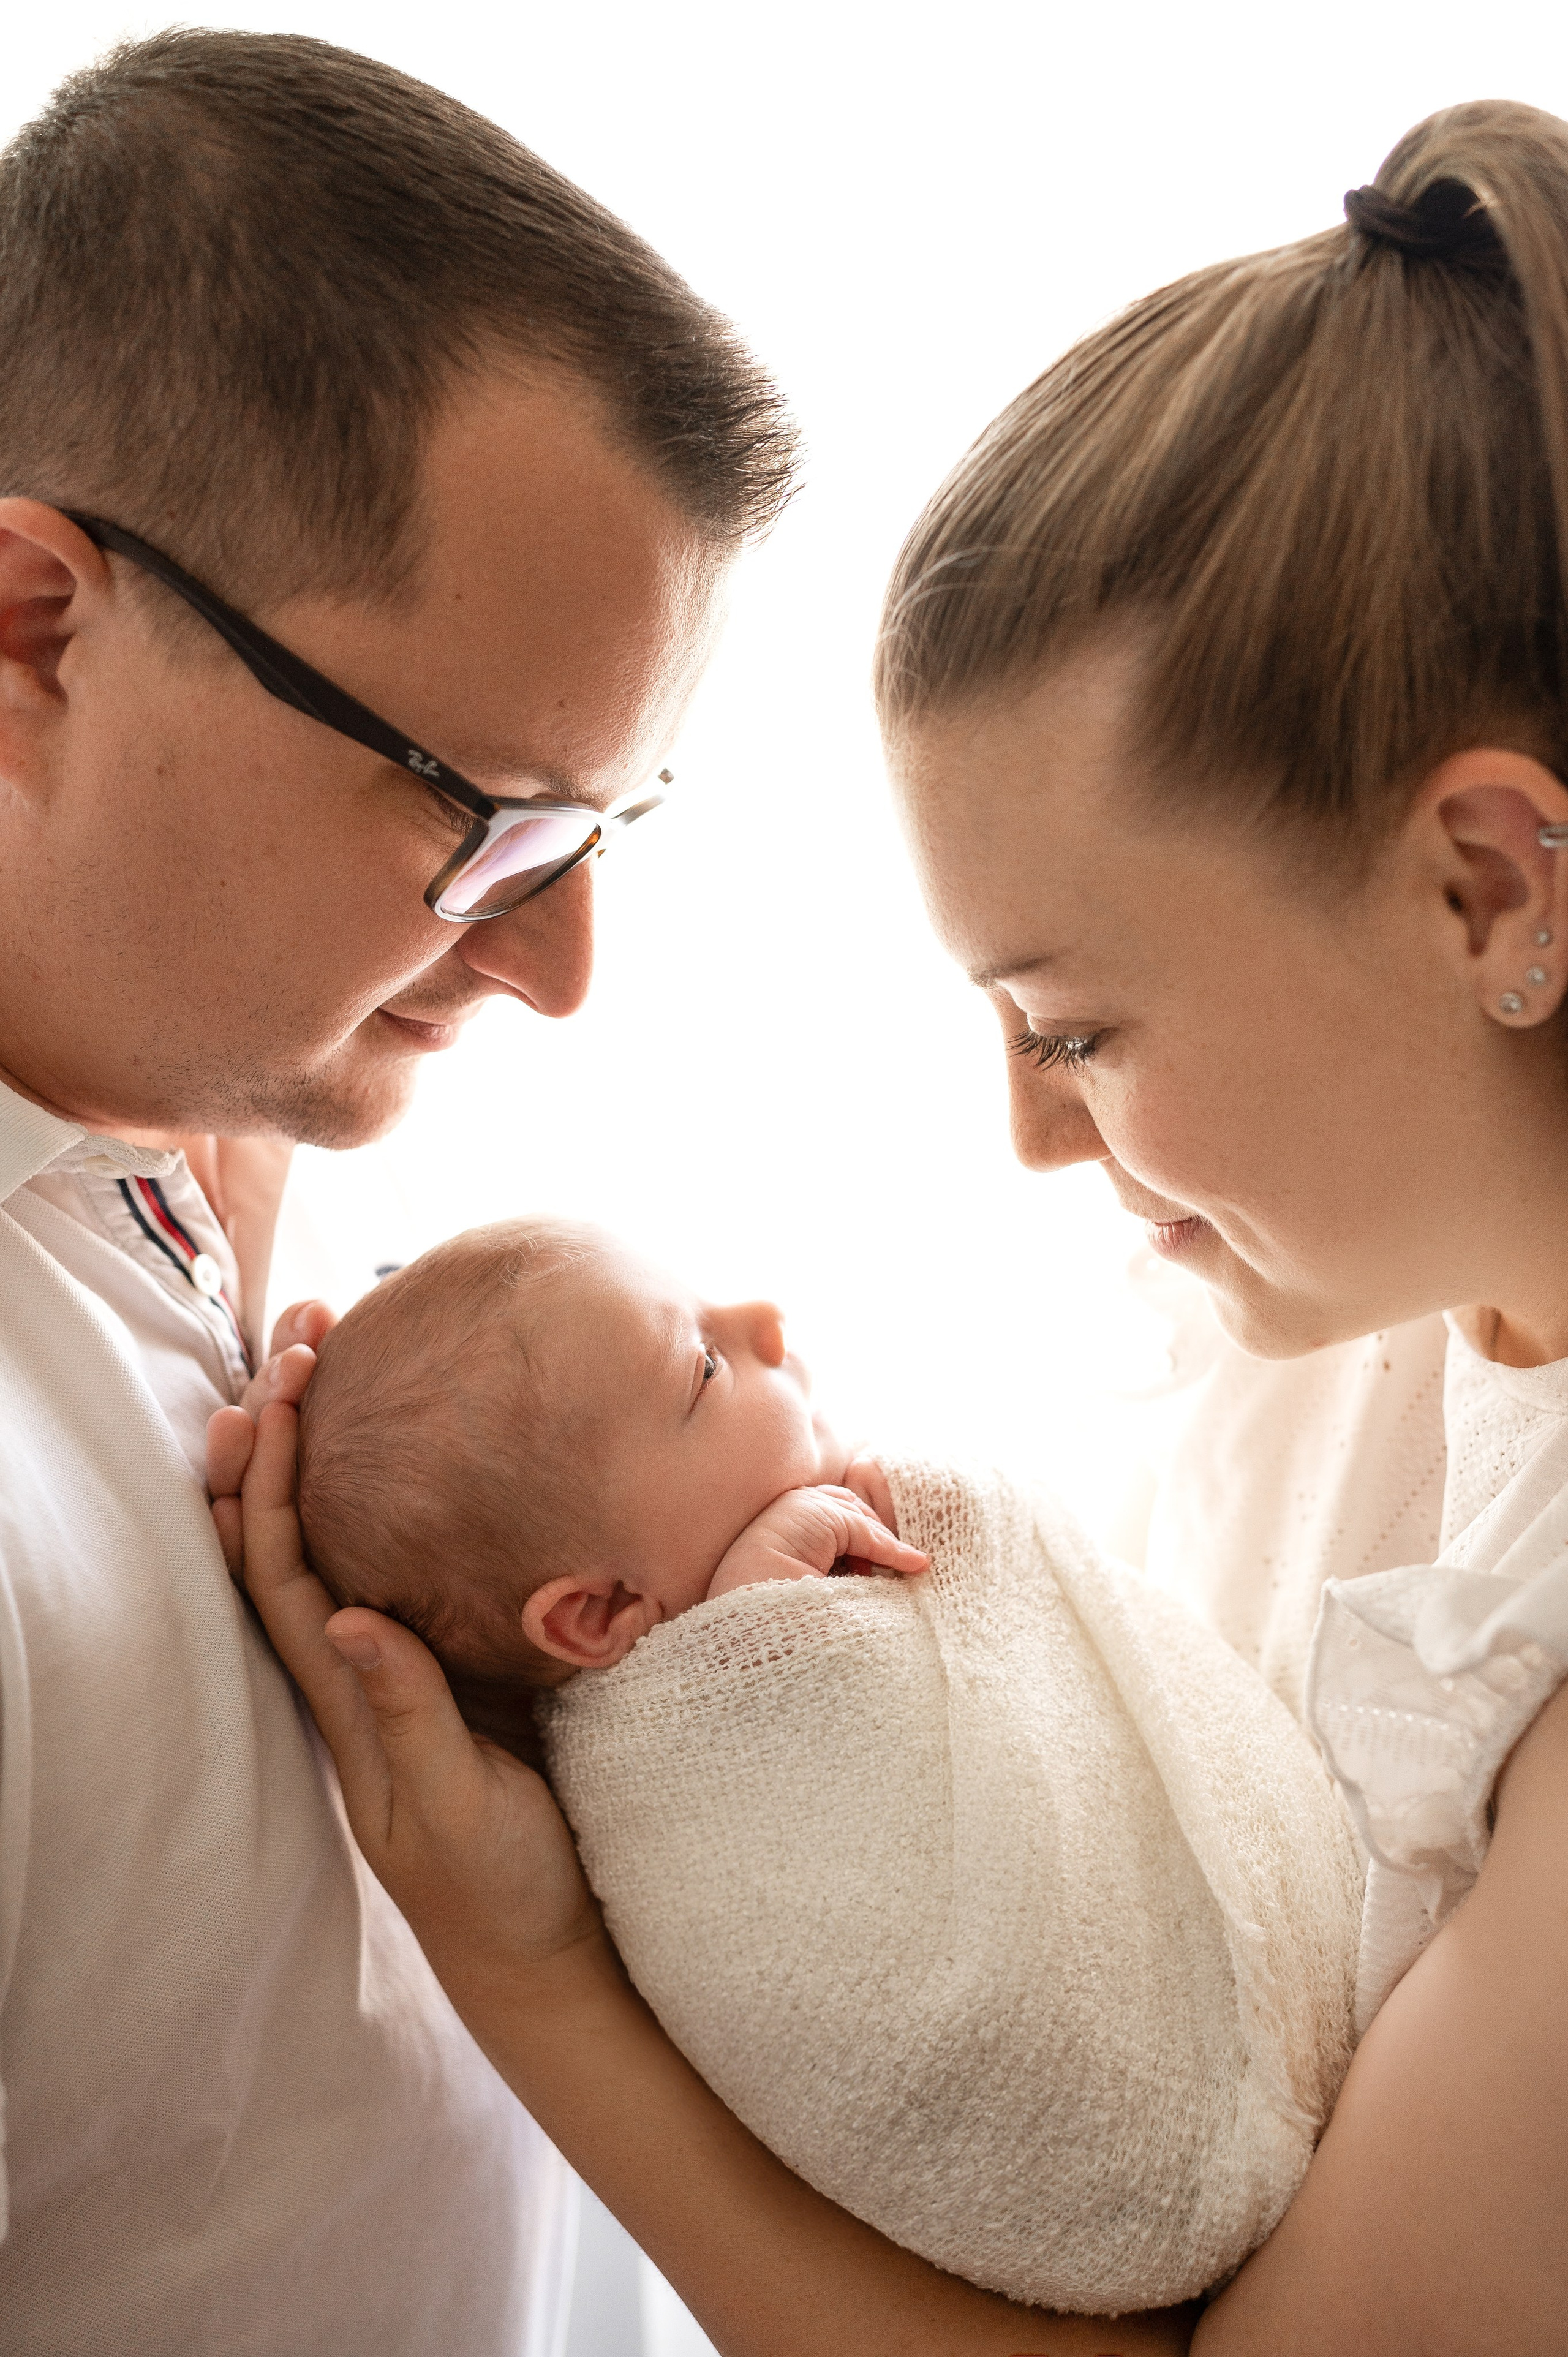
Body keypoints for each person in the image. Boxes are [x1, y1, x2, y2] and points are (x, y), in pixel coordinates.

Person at [225, 94, 1568, 2355]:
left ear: (1491, 889)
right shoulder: (1333, 1317)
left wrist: (531, 1969)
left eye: (1081, 1022)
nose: (1038, 1139)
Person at [0, 27, 794, 2355]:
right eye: (489, 822)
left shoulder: (295, 1179)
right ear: (33, 629)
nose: (556, 966)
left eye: (604, 833)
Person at [290, 1216, 1360, 2319]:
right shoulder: (674, 1771)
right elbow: (856, 1937)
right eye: (704, 1366)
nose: (764, 1320)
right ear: (601, 1611)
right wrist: (771, 1624)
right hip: (1116, 2119)